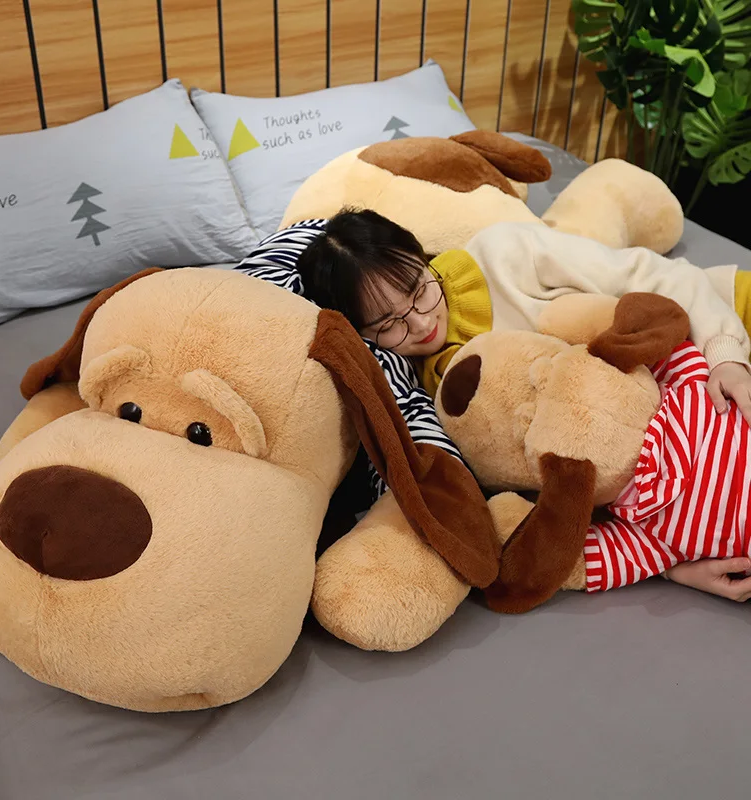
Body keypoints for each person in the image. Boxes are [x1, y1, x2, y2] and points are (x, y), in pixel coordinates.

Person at [238, 211, 751, 602]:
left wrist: (726, 355)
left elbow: (652, 275)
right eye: (389, 324)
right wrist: (672, 564)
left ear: (421, 255)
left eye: (419, 290)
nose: (421, 324)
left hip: (716, 322)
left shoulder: (507, 253)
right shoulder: (417, 396)